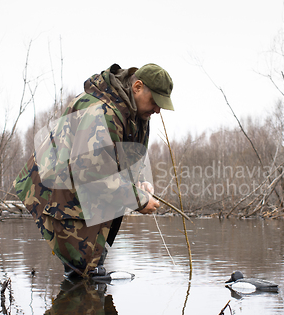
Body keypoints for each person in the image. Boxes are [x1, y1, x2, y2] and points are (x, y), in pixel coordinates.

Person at [14, 63, 174, 279]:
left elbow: (121, 161)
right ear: (137, 87)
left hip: (86, 198)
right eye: (155, 102)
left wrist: (139, 184)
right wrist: (138, 199)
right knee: (84, 274)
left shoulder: (136, 115)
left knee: (89, 273)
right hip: (58, 194)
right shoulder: (101, 111)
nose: (157, 110)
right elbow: (92, 174)